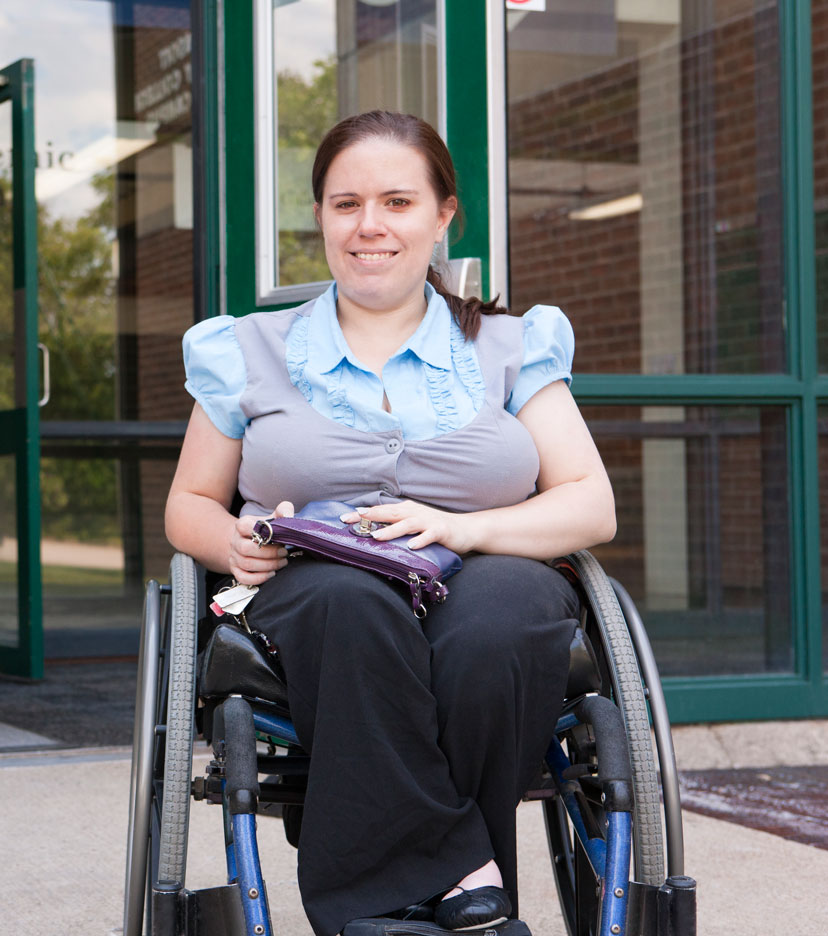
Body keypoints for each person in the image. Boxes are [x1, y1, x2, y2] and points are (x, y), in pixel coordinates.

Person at [163, 111, 616, 935]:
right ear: (322, 219)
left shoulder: (512, 346)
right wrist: (230, 539)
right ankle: (451, 884)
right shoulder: (247, 349)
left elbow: (591, 502)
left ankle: (402, 895)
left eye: (398, 202)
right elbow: (187, 505)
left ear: (443, 216)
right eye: (346, 204)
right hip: (314, 589)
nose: (369, 226)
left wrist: (462, 529)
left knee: (502, 623)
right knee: (352, 606)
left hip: (487, 569)